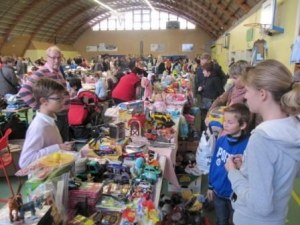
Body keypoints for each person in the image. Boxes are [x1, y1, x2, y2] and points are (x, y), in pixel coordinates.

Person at [225, 59, 300, 225]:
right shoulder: (293, 128)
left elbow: (261, 206)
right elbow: (285, 170)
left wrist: (233, 172)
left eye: (247, 90)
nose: (245, 96)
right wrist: (250, 166)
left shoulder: (262, 139)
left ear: (262, 94)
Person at [207, 103, 251, 225]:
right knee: (221, 220)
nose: (225, 124)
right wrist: (210, 186)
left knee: (235, 221)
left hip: (235, 194)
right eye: (224, 120)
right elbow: (213, 164)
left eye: (230, 122)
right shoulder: (221, 140)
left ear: (242, 125)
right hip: (218, 191)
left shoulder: (249, 146)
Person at [18, 46, 70, 142]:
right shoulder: (41, 73)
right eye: (53, 58)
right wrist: (40, 108)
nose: (56, 60)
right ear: (47, 58)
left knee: (63, 146)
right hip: (54, 117)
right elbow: (24, 92)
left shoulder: (58, 72)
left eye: (59, 58)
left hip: (63, 116)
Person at [19, 78, 72, 168]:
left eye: (63, 98)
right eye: (58, 99)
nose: (63, 102)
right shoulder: (39, 127)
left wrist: (62, 147)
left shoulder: (50, 119)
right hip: (42, 178)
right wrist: (57, 147)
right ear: (44, 101)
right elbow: (25, 161)